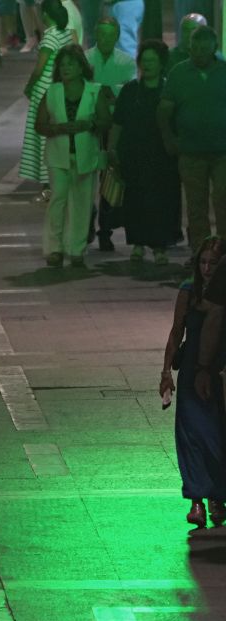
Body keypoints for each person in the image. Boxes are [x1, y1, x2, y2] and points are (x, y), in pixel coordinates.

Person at [163, 238, 226, 529]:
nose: (207, 268)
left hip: (217, 367)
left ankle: (217, 496)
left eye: (213, 263)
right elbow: (177, 332)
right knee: (190, 437)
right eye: (203, 262)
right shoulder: (188, 292)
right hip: (191, 370)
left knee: (215, 436)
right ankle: (196, 501)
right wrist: (166, 371)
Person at [34, 44, 114, 267]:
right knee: (58, 198)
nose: (66, 68)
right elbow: (39, 124)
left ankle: (77, 248)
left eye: (72, 64)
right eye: (63, 64)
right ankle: (54, 248)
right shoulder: (52, 92)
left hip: (85, 155)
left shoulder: (94, 91)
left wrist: (89, 124)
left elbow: (106, 120)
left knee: (82, 202)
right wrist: (58, 129)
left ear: (82, 68)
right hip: (58, 155)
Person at [109, 39, 181, 264]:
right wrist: (112, 149)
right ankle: (138, 244)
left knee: (163, 199)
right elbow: (118, 123)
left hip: (163, 156)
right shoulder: (130, 91)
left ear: (162, 64)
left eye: (152, 60)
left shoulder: (169, 89)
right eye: (144, 60)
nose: (147, 65)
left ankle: (160, 247)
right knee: (136, 198)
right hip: (134, 155)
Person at [158, 26, 226, 253]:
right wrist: (169, 139)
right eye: (194, 49)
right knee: (196, 207)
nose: (198, 53)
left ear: (214, 48)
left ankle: (223, 253)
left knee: (223, 203)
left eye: (204, 49)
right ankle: (201, 254)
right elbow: (164, 111)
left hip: (222, 152)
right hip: (190, 152)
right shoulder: (178, 73)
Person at [85, 17, 137, 252]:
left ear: (116, 36)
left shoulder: (126, 61)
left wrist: (106, 92)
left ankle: (105, 230)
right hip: (90, 126)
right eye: (102, 34)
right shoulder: (86, 59)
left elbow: (126, 95)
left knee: (109, 181)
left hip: (113, 128)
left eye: (110, 35)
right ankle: (86, 223)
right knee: (86, 178)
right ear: (96, 34)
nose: (105, 39)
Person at [20, 0, 78, 189]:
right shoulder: (66, 34)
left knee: (43, 136)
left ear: (46, 15)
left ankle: (48, 183)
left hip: (44, 89)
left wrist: (29, 87)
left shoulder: (50, 38)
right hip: (58, 88)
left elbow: (39, 68)